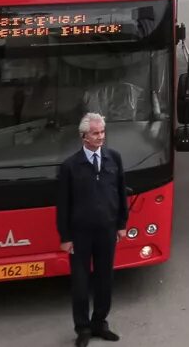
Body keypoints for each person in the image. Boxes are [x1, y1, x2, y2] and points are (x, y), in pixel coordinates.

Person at [56, 112, 128, 347]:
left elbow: (120, 193)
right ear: (83, 137)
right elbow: (63, 204)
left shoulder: (113, 158)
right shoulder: (70, 166)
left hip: (107, 231)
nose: (100, 137)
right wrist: (65, 237)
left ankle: (100, 323)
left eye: (102, 132)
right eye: (95, 133)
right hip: (80, 235)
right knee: (80, 282)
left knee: (105, 279)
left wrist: (121, 225)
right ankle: (83, 328)